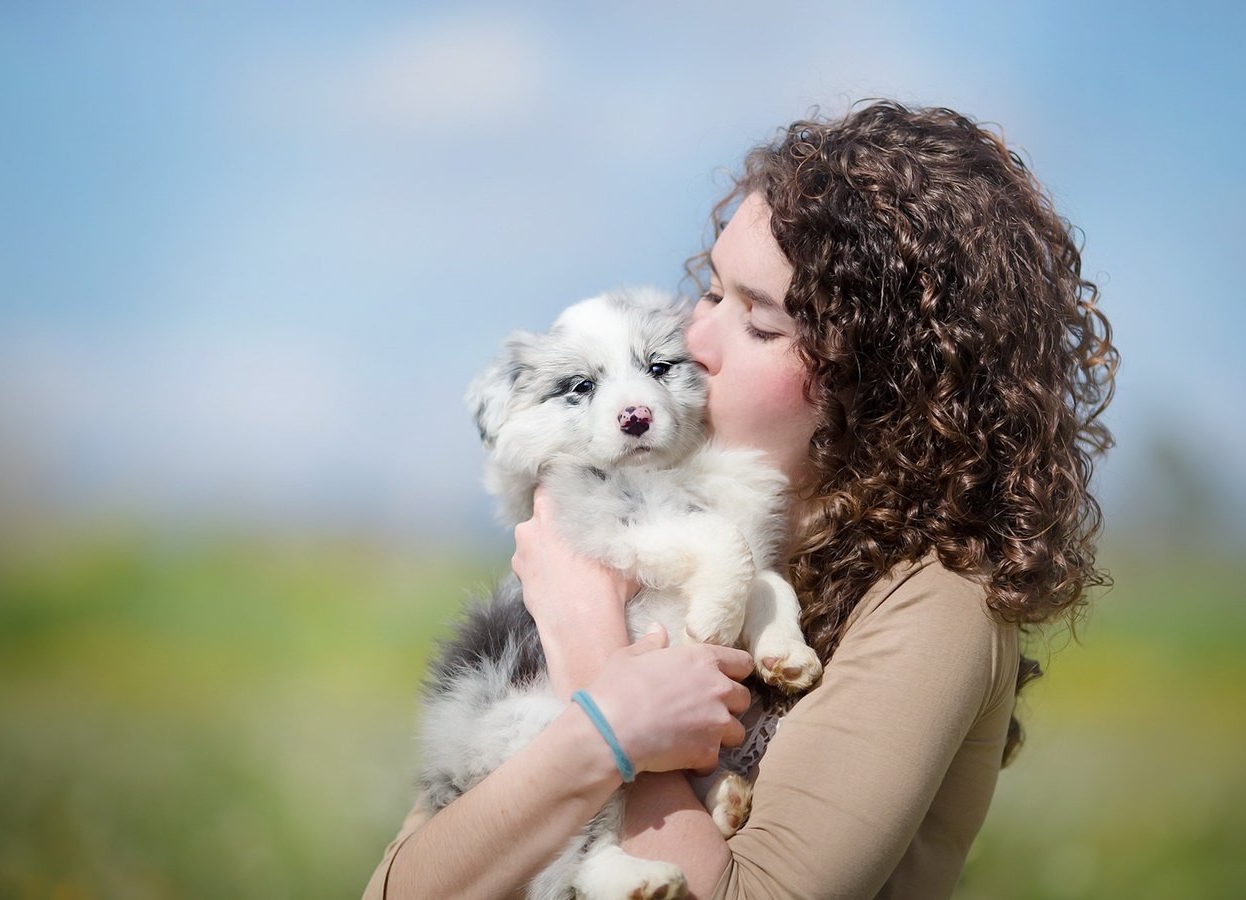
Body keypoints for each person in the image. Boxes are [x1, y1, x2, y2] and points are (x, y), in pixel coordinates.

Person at [364, 100, 1117, 899]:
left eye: (757, 324)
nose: (694, 341)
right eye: (712, 292)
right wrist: (601, 711)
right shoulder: (652, 536)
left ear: (886, 387)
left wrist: (599, 670)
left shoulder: (935, 607)